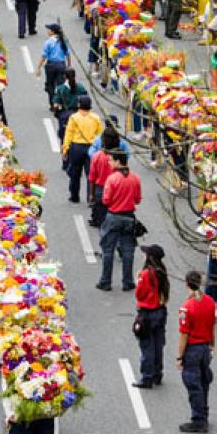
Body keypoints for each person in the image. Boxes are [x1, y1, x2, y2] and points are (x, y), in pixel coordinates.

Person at [96, 150, 141, 291]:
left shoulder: (112, 179)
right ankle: (128, 282)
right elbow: (138, 200)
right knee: (128, 250)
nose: (109, 162)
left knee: (108, 250)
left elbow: (105, 200)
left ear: (117, 162)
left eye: (110, 160)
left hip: (113, 217)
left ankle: (106, 281)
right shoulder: (135, 178)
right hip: (129, 217)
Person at [177, 270, 216, 433]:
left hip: (193, 349)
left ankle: (198, 420)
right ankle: (204, 413)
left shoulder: (187, 307)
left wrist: (179, 357)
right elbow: (212, 325)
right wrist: (212, 345)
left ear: (186, 283)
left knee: (193, 384)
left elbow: (184, 335)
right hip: (205, 347)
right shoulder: (210, 301)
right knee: (204, 381)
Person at [132, 244, 169, 389]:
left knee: (147, 345)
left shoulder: (146, 274)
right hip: (160, 311)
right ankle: (157, 374)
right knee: (158, 344)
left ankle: (147, 377)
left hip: (147, 313)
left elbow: (139, 294)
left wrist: (138, 282)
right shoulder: (162, 271)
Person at [63, 96, 103, 204]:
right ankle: (91, 198)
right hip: (92, 147)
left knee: (75, 173)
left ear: (79, 105)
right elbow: (100, 135)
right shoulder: (96, 118)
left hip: (76, 147)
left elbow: (69, 133)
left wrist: (65, 149)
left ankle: (74, 196)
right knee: (91, 174)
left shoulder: (74, 117)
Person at [87, 123, 119, 229]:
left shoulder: (97, 156)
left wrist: (91, 194)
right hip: (115, 189)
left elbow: (92, 177)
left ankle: (98, 221)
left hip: (100, 188)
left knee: (99, 207)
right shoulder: (119, 156)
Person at [34, 23, 68, 106]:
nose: (47, 31)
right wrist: (68, 66)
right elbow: (68, 54)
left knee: (50, 85)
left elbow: (44, 56)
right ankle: (60, 102)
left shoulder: (48, 42)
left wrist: (38, 67)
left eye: (49, 30)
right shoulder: (63, 41)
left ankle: (53, 104)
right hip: (61, 65)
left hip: (51, 66)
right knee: (61, 85)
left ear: (52, 32)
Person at [51, 68, 87, 143]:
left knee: (63, 136)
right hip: (79, 114)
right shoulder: (81, 88)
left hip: (65, 115)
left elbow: (55, 105)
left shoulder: (60, 88)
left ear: (64, 76)